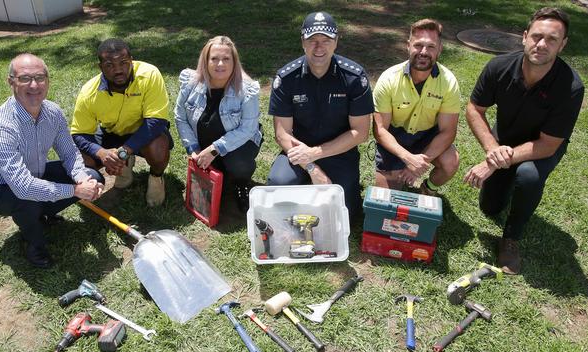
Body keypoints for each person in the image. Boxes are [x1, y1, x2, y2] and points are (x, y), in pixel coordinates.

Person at [464, 7, 584, 274]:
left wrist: (494, 163)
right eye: (537, 36)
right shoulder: (499, 67)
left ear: (562, 45)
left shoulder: (570, 87)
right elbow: (474, 108)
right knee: (490, 208)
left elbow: (548, 144)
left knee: (528, 176)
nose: (542, 44)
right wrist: (492, 150)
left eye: (552, 39)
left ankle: (511, 238)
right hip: (504, 140)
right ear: (525, 36)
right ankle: (506, 182)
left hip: (543, 147)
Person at [0, 54, 104, 269]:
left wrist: (83, 180)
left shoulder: (52, 112)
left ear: (48, 80)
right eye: (25, 78)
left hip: (35, 175)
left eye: (39, 77)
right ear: (11, 82)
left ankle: (42, 213)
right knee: (26, 199)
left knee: (93, 175)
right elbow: (23, 188)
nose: (34, 85)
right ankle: (34, 243)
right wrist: (74, 191)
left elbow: (69, 152)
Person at [267, 11, 374, 217]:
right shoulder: (286, 78)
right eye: (312, 40)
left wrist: (315, 153)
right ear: (303, 43)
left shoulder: (354, 77)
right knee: (279, 184)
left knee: (346, 213)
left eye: (326, 40)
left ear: (336, 42)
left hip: (339, 151)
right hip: (298, 152)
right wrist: (311, 166)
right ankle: (307, 181)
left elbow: (360, 133)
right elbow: (282, 134)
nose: (319, 47)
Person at [70, 38, 172, 207]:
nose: (118, 70)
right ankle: (124, 167)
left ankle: (155, 178)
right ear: (100, 67)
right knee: (81, 158)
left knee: (158, 146)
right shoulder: (89, 92)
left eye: (123, 62)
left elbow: (157, 121)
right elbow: (79, 133)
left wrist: (122, 152)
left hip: (144, 130)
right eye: (109, 65)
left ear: (131, 60)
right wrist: (103, 153)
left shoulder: (149, 74)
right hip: (112, 132)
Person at [174, 36, 262, 213]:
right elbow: (180, 117)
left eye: (226, 59)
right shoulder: (190, 83)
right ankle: (217, 172)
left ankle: (241, 184)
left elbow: (248, 129)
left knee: (238, 164)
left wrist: (215, 149)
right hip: (204, 144)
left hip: (240, 143)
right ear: (205, 61)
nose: (220, 64)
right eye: (214, 58)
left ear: (234, 62)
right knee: (216, 172)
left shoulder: (247, 90)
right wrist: (193, 148)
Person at [372, 19, 460, 195]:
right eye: (418, 45)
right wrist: (407, 158)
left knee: (451, 162)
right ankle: (396, 172)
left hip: (427, 136)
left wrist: (419, 164)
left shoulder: (449, 82)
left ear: (440, 49)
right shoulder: (388, 79)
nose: (424, 52)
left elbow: (448, 132)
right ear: (408, 46)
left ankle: (428, 188)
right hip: (394, 138)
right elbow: (380, 130)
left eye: (431, 47)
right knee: (387, 199)